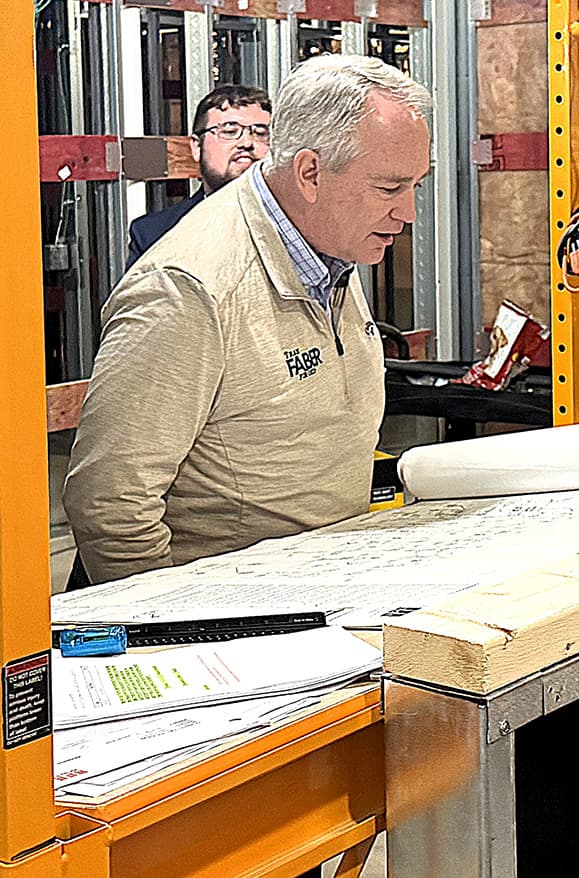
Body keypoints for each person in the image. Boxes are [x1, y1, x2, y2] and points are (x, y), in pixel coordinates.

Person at [64, 55, 431, 588]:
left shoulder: (328, 243)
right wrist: (177, 627)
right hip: (233, 615)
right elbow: (110, 506)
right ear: (310, 173)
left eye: (417, 185)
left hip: (326, 590)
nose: (409, 212)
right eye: (390, 188)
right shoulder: (188, 289)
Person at [126, 84, 272, 270]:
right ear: (196, 147)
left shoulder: (298, 223)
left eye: (260, 133)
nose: (247, 142)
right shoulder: (154, 233)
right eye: (229, 131)